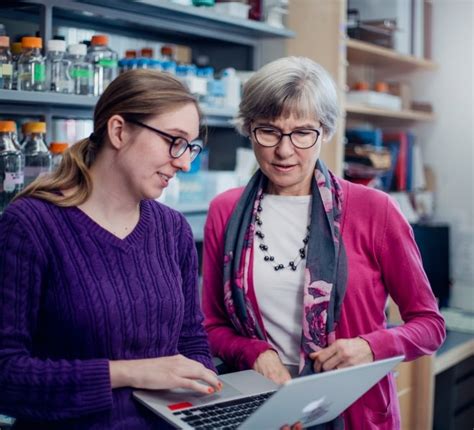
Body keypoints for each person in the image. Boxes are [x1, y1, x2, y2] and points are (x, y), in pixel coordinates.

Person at [202, 57, 445, 429]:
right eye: (269, 131)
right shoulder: (226, 211)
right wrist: (253, 353)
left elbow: (429, 325)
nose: (285, 150)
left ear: (326, 130)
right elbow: (211, 325)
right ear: (249, 130)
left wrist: (371, 346)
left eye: (302, 132)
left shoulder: (374, 209)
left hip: (353, 413)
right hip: (261, 411)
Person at [0, 69, 221, 429]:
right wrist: (131, 373)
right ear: (119, 131)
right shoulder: (32, 225)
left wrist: (211, 396)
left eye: (191, 147)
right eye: (175, 141)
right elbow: (6, 374)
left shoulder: (172, 230)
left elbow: (192, 341)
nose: (184, 163)